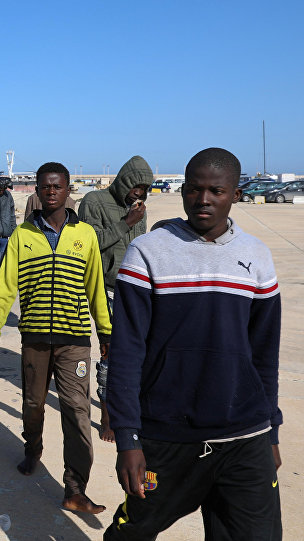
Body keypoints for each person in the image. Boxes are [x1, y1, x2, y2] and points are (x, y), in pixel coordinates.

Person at [104, 148, 282, 539]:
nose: (204, 199)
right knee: (131, 533)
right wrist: (127, 438)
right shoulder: (147, 252)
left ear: (235, 194)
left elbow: (264, 357)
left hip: (245, 437)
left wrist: (270, 432)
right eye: (194, 189)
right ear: (183, 191)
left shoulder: (257, 256)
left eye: (216, 191)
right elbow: (126, 353)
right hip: (167, 438)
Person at [0, 161, 110, 514]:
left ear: (68, 190)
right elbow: (4, 286)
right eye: (45, 186)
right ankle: (32, 448)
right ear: (37, 191)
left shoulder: (86, 235)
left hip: (74, 340)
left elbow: (96, 287)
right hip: (35, 338)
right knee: (33, 405)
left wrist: (106, 331)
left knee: (77, 411)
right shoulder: (22, 236)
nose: (51, 191)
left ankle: (75, 488)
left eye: (58, 186)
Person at [77, 156, 152, 443]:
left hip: (136, 289)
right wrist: (126, 222)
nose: (139, 193)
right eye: (136, 186)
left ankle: (130, 405)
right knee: (110, 352)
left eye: (144, 189)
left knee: (137, 353)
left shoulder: (139, 209)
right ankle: (107, 415)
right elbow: (88, 244)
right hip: (105, 288)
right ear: (124, 181)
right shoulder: (94, 201)